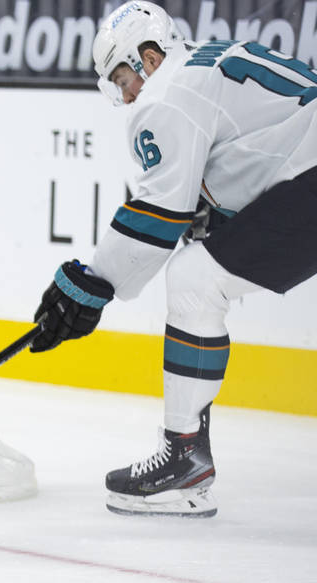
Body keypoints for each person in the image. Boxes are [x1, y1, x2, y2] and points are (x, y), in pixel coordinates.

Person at [31, 0, 317, 518]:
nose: (126, 93)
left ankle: (184, 457)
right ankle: (188, 454)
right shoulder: (204, 66)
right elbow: (267, 151)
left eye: (124, 77)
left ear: (150, 57)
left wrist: (90, 284)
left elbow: (160, 212)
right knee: (198, 269)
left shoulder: (168, 94)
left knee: (193, 280)